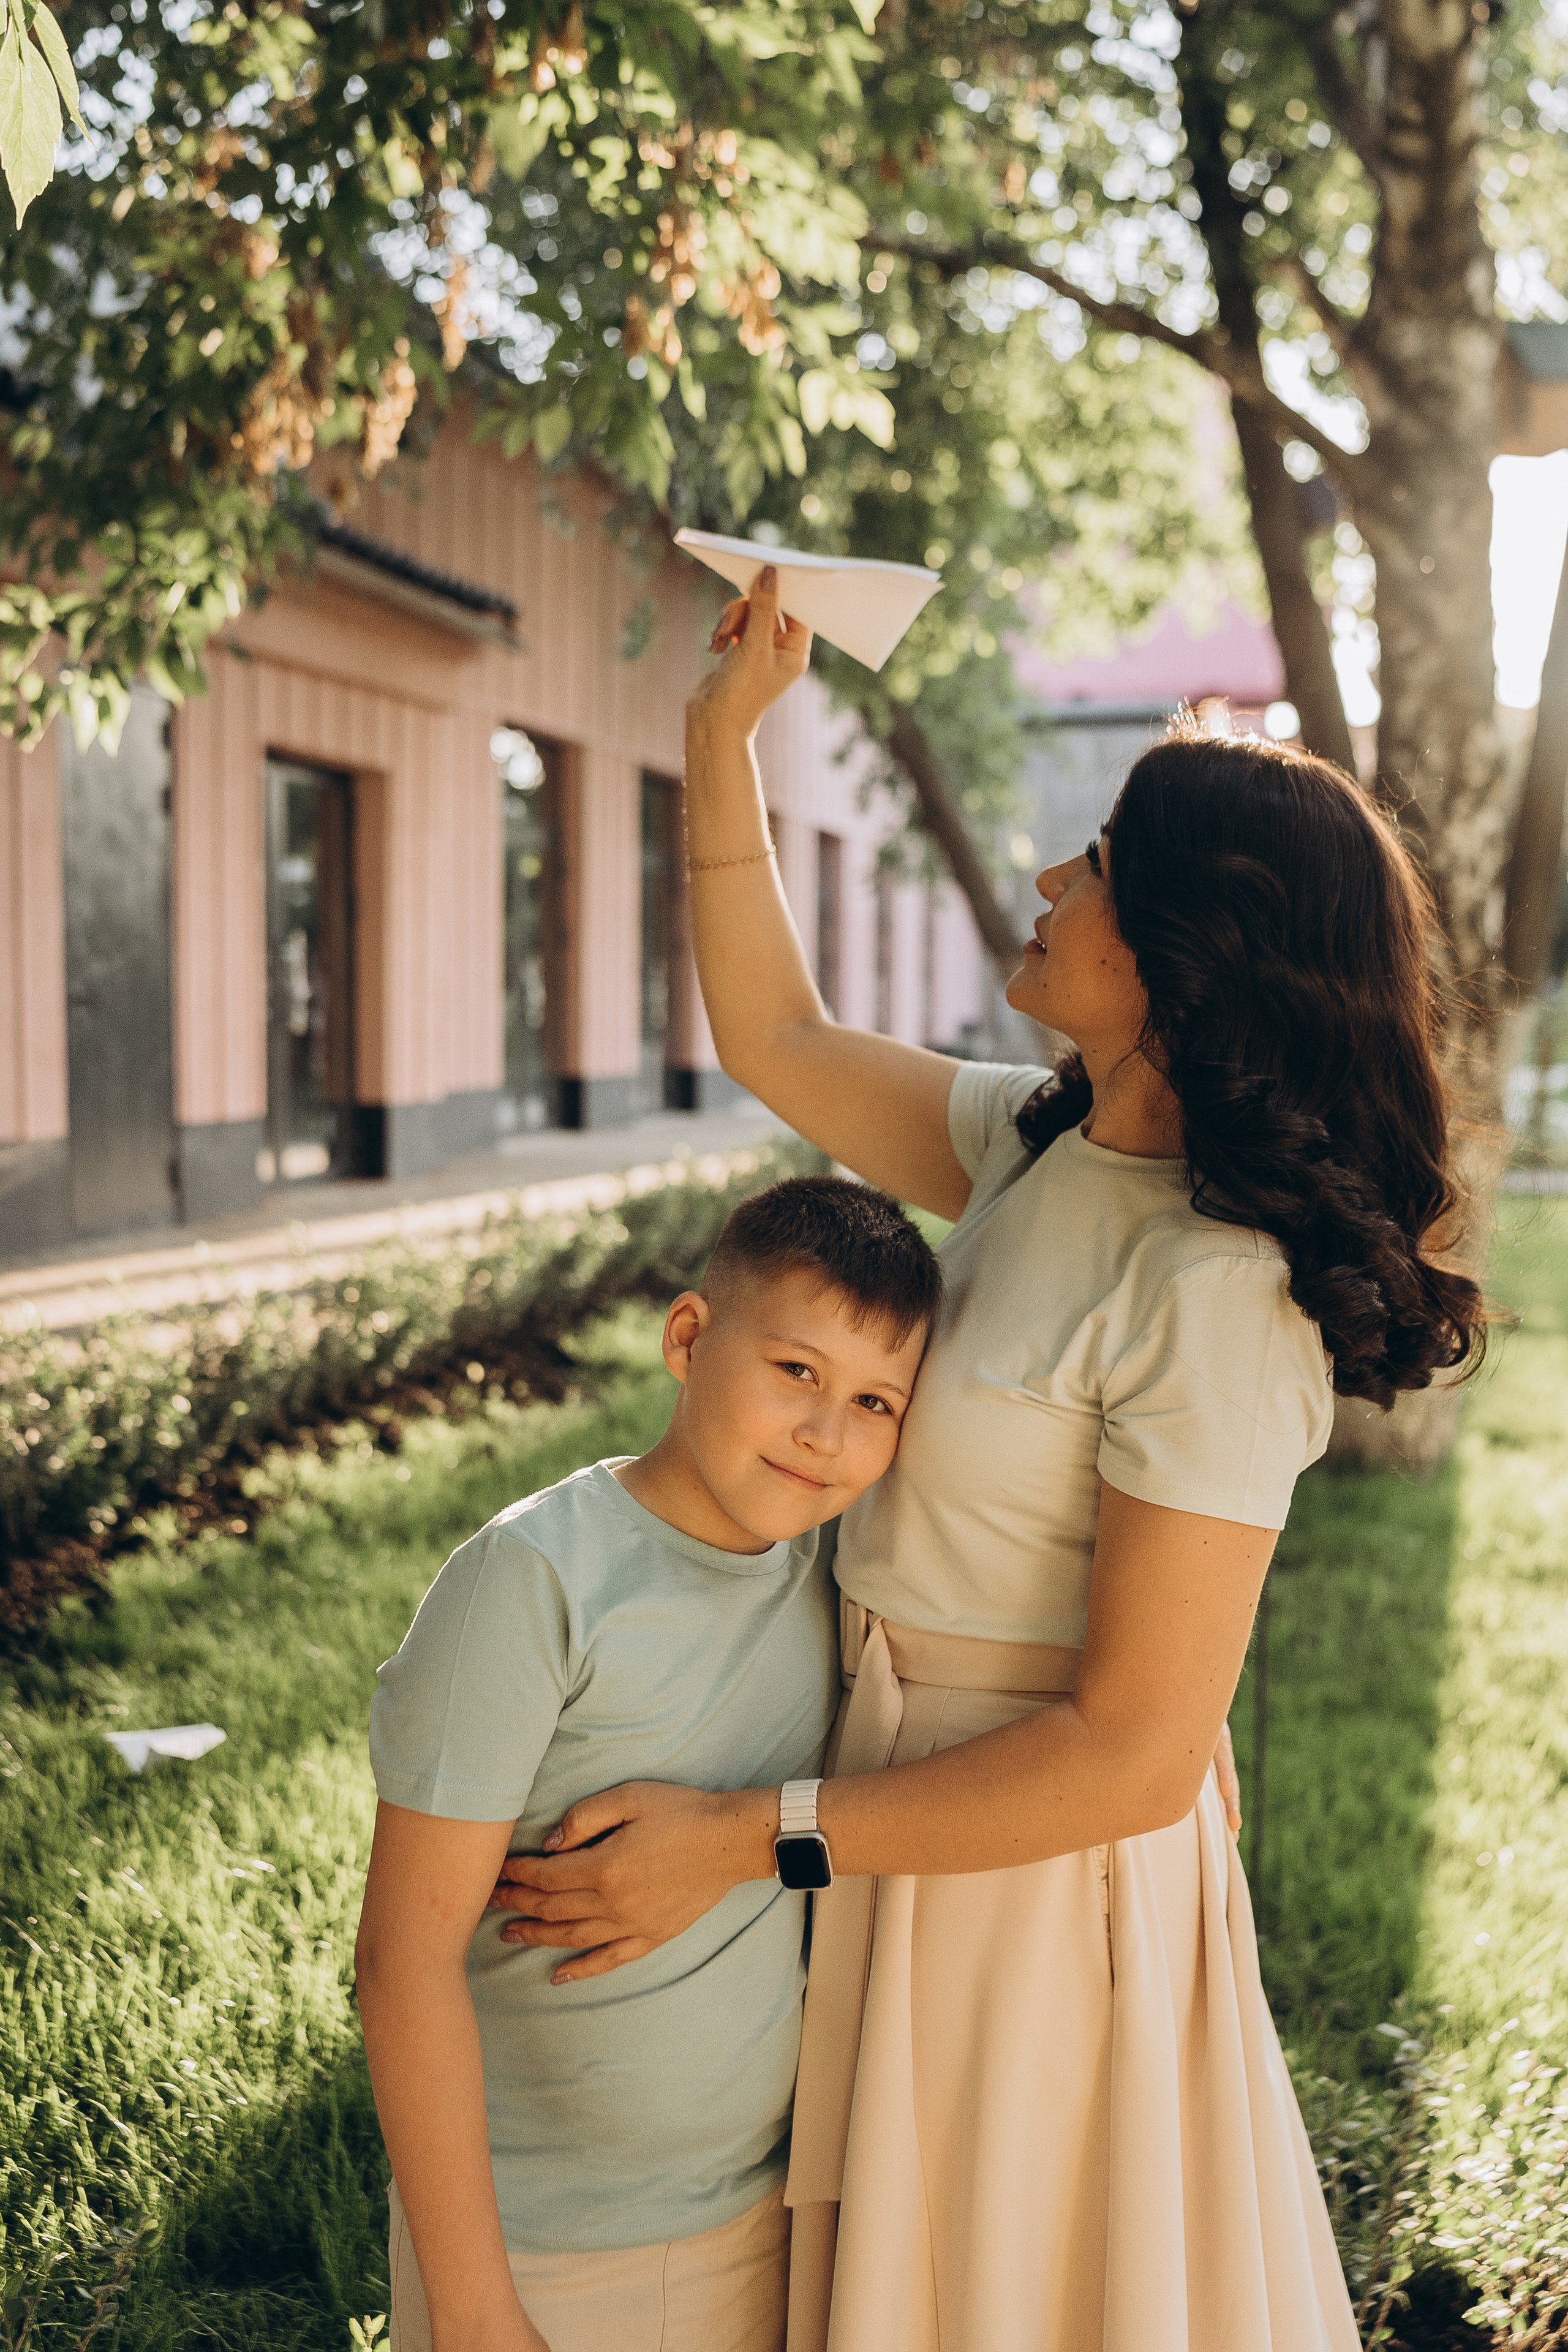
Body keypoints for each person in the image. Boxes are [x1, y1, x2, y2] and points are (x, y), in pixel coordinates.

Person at [487, 567, 1486, 2352]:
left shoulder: (1218, 1288)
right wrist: (724, 742)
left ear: (1189, 949)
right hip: (891, 1817)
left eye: (1096, 866)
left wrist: (743, 1841)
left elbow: (1131, 1755)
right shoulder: (1040, 1142)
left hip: (1023, 1885)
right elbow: (775, 1037)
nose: (1049, 877)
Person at [354, 1174, 941, 2352]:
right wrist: (474, 2309)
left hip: (761, 2219)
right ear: (688, 1337)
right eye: (797, 1373)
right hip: (532, 2243)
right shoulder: (534, 1583)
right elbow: (398, 1962)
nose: (828, 1434)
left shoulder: (834, 1576)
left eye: (878, 1400)